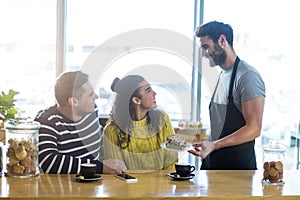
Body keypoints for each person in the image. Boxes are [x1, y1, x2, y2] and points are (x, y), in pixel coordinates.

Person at [188, 21, 265, 170]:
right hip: (214, 165)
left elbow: (254, 128)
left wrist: (215, 145)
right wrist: (207, 143)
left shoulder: (247, 76)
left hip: (237, 172)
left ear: (222, 41)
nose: (203, 54)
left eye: (206, 47)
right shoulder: (223, 74)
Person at [34, 70, 127, 174]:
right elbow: (49, 163)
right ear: (73, 102)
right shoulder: (47, 122)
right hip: (65, 187)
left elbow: (100, 143)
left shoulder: (91, 110)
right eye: (90, 94)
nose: (96, 97)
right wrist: (100, 167)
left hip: (94, 182)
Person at [103, 75, 178, 170]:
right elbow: (117, 172)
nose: (155, 93)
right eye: (148, 90)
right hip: (129, 184)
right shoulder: (111, 131)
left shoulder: (162, 119)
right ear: (136, 100)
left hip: (162, 183)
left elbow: (171, 162)